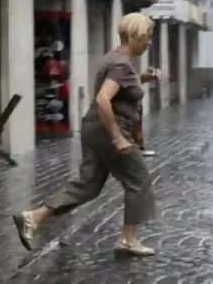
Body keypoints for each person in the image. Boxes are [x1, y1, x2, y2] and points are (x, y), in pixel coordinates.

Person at [14, 13, 159, 256]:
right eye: (148, 37)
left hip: (93, 128)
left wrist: (142, 78)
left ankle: (33, 218)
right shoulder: (122, 64)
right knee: (139, 179)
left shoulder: (114, 57)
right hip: (108, 129)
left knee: (88, 184)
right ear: (134, 36)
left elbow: (116, 88)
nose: (150, 42)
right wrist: (118, 138)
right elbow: (104, 99)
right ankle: (127, 239)